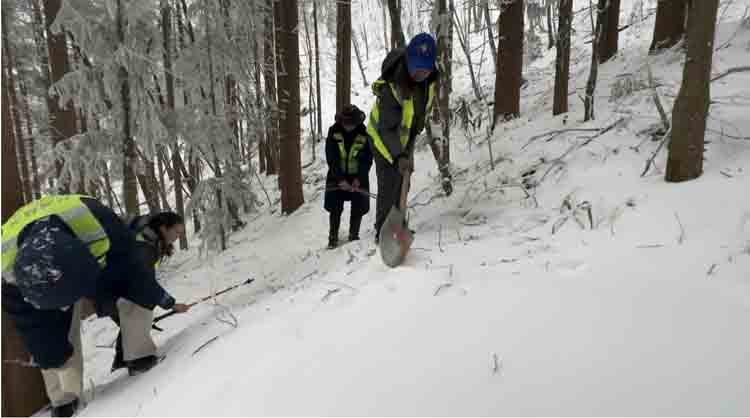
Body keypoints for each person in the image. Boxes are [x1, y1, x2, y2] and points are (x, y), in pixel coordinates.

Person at [0, 195, 189, 417]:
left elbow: (136, 273)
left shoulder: (100, 222)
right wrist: (53, 357)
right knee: (52, 335)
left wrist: (166, 301)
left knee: (135, 296)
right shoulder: (7, 275)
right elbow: (33, 329)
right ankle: (63, 399)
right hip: (40, 281)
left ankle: (140, 356)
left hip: (92, 251)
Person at [366, 33, 439, 243]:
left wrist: (407, 150)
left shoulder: (429, 81)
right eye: (416, 71)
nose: (421, 75)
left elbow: (417, 115)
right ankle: (383, 234)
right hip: (382, 137)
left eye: (425, 71)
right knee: (389, 182)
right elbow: (386, 130)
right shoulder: (393, 87)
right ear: (407, 63)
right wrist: (398, 156)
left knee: (403, 182)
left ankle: (398, 226)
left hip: (404, 138)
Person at [110, 212, 188, 376]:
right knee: (140, 304)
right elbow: (143, 281)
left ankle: (125, 356)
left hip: (117, 284)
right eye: (176, 232)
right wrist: (170, 303)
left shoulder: (148, 237)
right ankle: (139, 360)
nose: (177, 237)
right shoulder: (144, 244)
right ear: (163, 228)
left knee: (139, 306)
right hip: (118, 286)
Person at [324, 104, 373, 249]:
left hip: (358, 177)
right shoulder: (333, 132)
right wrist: (340, 180)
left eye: (351, 124)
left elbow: (367, 159)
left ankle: (354, 235)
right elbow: (331, 158)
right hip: (336, 176)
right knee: (334, 207)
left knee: (359, 205)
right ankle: (333, 237)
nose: (348, 127)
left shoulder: (365, 134)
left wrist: (359, 179)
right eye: (346, 123)